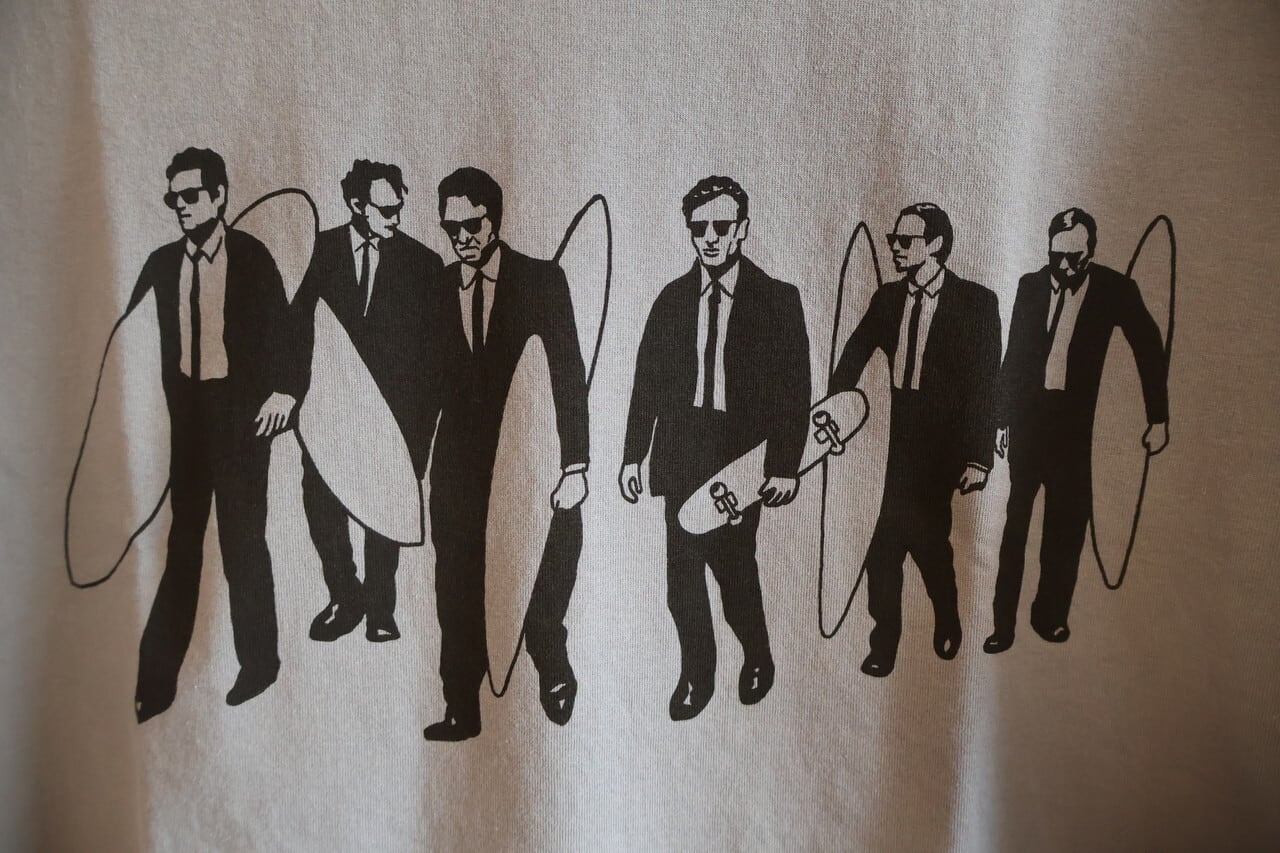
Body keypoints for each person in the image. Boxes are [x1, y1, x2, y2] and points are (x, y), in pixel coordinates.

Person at [620, 176, 810, 721]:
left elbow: (795, 391)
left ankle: (757, 655)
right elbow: (647, 383)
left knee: (733, 572)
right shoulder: (671, 300)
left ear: (742, 229)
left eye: (721, 226)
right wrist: (633, 455)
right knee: (681, 580)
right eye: (698, 227)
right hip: (681, 452)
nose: (709, 238)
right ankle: (696, 675)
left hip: (740, 459)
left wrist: (784, 466)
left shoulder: (777, 299)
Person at [131, 148, 299, 722]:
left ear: (220, 195)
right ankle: (155, 680)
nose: (181, 206)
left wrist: (284, 393)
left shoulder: (252, 258)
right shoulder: (161, 264)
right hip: (189, 418)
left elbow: (286, 333)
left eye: (191, 196)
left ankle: (260, 664)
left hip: (240, 417)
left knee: (243, 542)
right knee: (182, 545)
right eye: (173, 198)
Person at [424, 167, 590, 741]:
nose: (462, 238)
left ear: (494, 219)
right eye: (451, 229)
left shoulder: (542, 280)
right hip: (457, 469)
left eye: (471, 225)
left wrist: (575, 464)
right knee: (456, 585)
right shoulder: (437, 288)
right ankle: (460, 704)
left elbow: (568, 374)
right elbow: (422, 388)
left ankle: (551, 661)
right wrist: (410, 470)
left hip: (530, 458)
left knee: (547, 563)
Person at [984, 208, 1169, 654]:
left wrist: (1158, 416)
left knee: (1065, 528)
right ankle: (1002, 625)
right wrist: (1000, 418)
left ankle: (1049, 617)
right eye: (1057, 256)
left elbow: (1147, 344)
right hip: (1029, 420)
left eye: (1075, 257)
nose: (1065, 266)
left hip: (1074, 427)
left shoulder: (1113, 289)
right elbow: (1015, 356)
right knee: (1014, 527)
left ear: (1091, 252)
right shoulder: (1030, 285)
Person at [828, 203, 1001, 677]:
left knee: (929, 543)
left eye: (906, 241)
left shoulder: (976, 301)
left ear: (936, 245)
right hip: (890, 437)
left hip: (940, 445)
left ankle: (946, 619)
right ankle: (883, 644)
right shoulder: (887, 298)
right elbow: (855, 354)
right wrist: (834, 413)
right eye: (893, 241)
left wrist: (979, 457)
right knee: (881, 548)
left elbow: (986, 384)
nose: (897, 249)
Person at [293, 160, 448, 644]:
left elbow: (435, 361)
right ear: (356, 205)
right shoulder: (316, 252)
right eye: (385, 210)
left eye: (399, 208)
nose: (395, 219)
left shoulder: (423, 265)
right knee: (321, 502)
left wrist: (418, 438)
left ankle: (381, 608)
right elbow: (293, 331)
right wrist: (294, 399)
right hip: (327, 414)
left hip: (394, 419)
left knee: (386, 505)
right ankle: (345, 596)